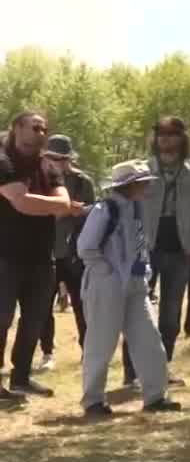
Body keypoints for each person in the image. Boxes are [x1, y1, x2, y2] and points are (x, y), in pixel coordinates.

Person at [73, 160, 183, 418]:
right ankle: (93, 401)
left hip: (135, 284)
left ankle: (156, 396)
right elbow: (86, 247)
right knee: (101, 342)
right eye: (142, 182)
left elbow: (139, 243)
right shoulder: (105, 209)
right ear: (129, 185)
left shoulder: (137, 209)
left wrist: (141, 272)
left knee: (149, 339)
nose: (147, 186)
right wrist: (107, 272)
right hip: (106, 284)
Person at [0, 111, 84, 404]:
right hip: (4, 256)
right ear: (17, 128)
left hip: (41, 257)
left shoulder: (47, 166)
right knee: (2, 318)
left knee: (35, 320)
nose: (41, 133)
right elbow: (21, 202)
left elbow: (60, 202)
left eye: (44, 129)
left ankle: (21, 378)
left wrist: (47, 203)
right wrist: (53, 204)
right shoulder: (3, 160)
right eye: (35, 127)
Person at [144, 116, 190, 360]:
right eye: (161, 134)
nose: (166, 138)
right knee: (137, 310)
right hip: (147, 248)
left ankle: (163, 366)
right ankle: (133, 372)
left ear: (182, 138)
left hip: (180, 249)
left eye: (172, 134)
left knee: (171, 314)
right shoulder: (145, 169)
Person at [43, 134, 94, 371]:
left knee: (82, 305)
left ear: (67, 159)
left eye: (59, 158)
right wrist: (63, 209)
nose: (54, 162)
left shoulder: (84, 182)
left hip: (76, 252)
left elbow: (94, 215)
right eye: (50, 157)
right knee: (43, 307)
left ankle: (89, 351)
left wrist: (78, 211)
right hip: (46, 251)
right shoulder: (39, 179)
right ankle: (47, 353)